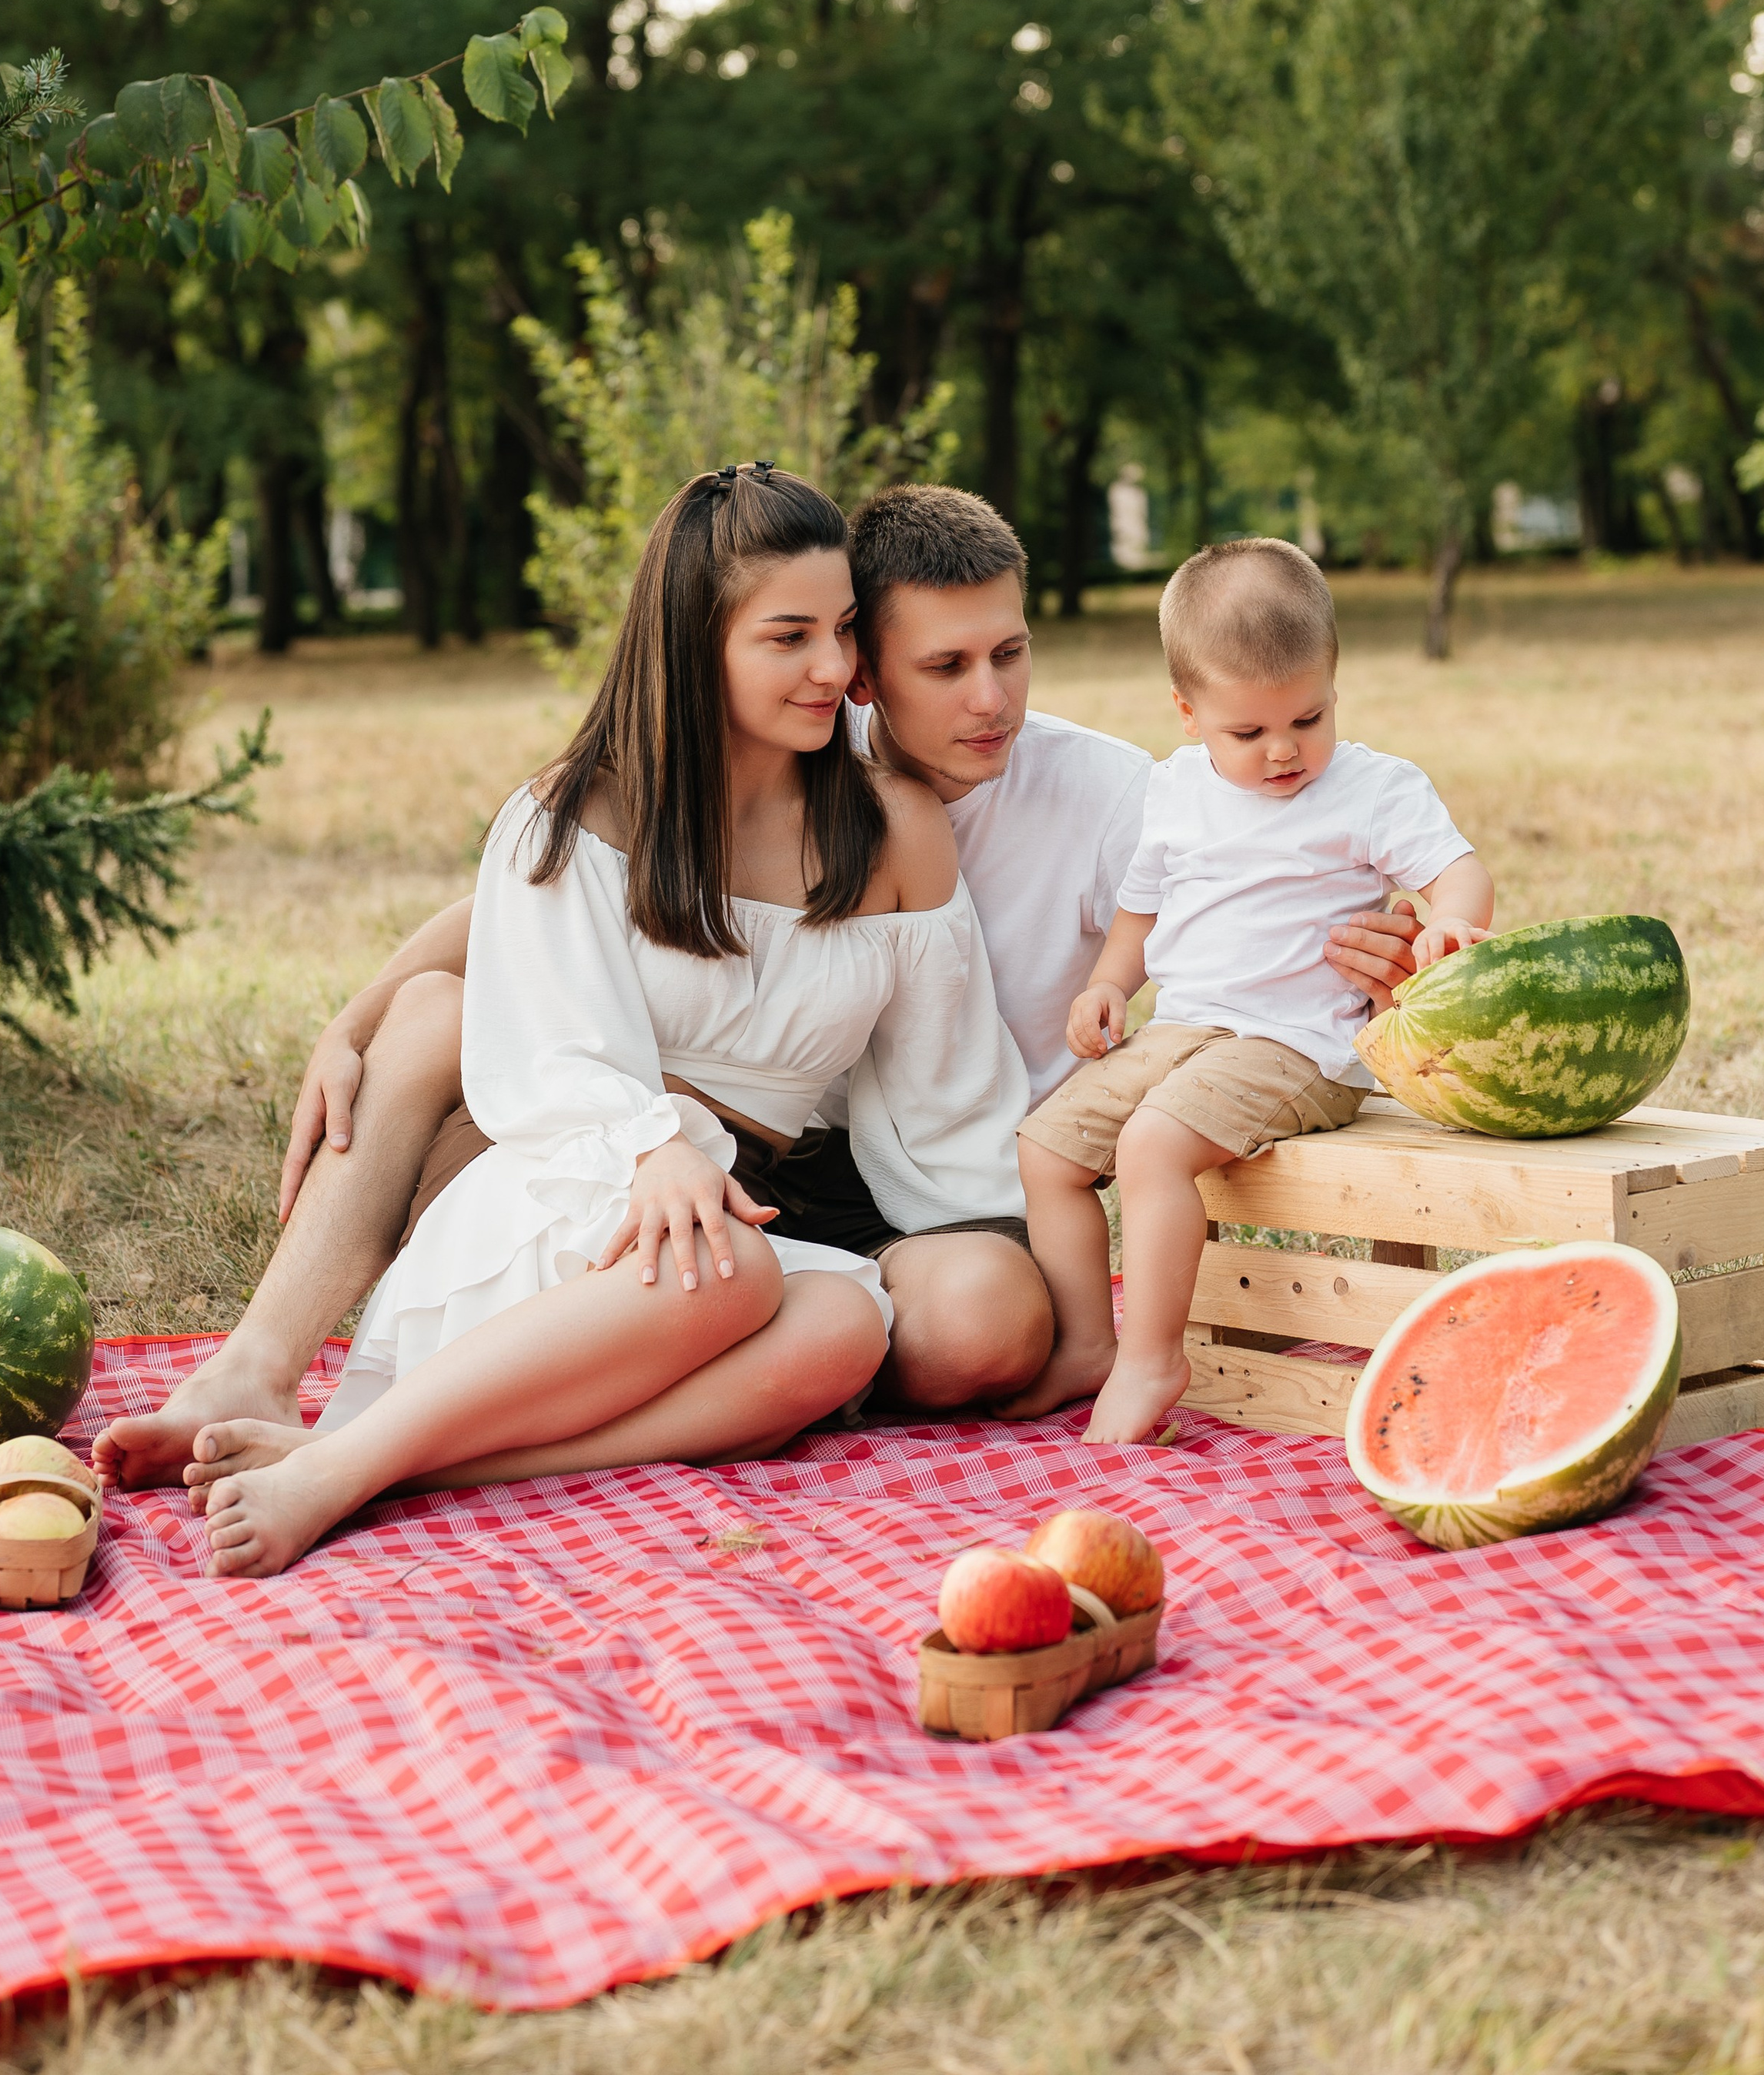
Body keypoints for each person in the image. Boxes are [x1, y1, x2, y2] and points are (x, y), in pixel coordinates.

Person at [96, 484, 1427, 1493]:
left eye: (1009, 653)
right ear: (864, 667)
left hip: (907, 1169)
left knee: (959, 1326)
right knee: (440, 1013)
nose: (990, 697)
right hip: (651, 1142)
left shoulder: (1101, 794)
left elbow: (1266, 854)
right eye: (933, 662)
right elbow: (530, 897)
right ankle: (261, 1365)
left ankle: (536, 1410)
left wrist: (1380, 933)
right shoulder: (787, 740)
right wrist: (360, 1007)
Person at [97, 465, 1031, 1573]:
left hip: (735, 1211)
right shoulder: (575, 811)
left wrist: (1026, 1256)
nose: (834, 669)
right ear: (697, 640)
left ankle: (357, 1454)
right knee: (723, 1262)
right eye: (788, 638)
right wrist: (652, 1148)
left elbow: (945, 1090)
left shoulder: (889, 827)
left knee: (840, 1326)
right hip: (573, 1176)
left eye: (839, 632)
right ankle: (316, 1429)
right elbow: (553, 1046)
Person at [1010, 536, 1495, 1444]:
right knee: (1046, 1148)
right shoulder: (1175, 788)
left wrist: (1450, 926)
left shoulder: (1372, 787)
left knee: (1153, 1144)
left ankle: (1154, 1356)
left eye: (1308, 719)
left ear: (1334, 687)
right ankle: (1085, 1343)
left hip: (1300, 1044)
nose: (1284, 751)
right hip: (1186, 1028)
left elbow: (1459, 872)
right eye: (1249, 732)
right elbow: (1139, 914)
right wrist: (1109, 985)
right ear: (1188, 713)